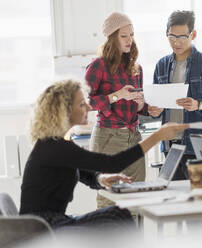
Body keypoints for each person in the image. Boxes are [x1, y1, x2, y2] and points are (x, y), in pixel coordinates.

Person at [19, 79, 188, 230]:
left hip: (49, 222)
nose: (88, 107)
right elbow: (113, 163)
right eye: (81, 104)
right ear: (65, 111)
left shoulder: (55, 144)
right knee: (117, 215)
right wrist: (157, 136)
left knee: (118, 214)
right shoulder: (54, 146)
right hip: (42, 227)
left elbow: (82, 172)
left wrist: (100, 179)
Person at [148, 10, 202, 180]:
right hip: (170, 146)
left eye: (182, 37)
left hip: (197, 147)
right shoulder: (161, 65)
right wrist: (155, 110)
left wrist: (199, 105)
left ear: (193, 34)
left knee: (200, 198)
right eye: (171, 37)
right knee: (174, 200)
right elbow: (157, 106)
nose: (176, 42)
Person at [85, 12, 148, 208]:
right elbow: (86, 102)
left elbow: (137, 109)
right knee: (108, 199)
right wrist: (117, 95)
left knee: (137, 197)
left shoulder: (136, 68)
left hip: (133, 137)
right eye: (124, 36)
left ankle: (135, 239)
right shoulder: (98, 65)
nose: (130, 40)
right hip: (108, 137)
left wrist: (143, 105)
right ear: (112, 37)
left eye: (131, 35)